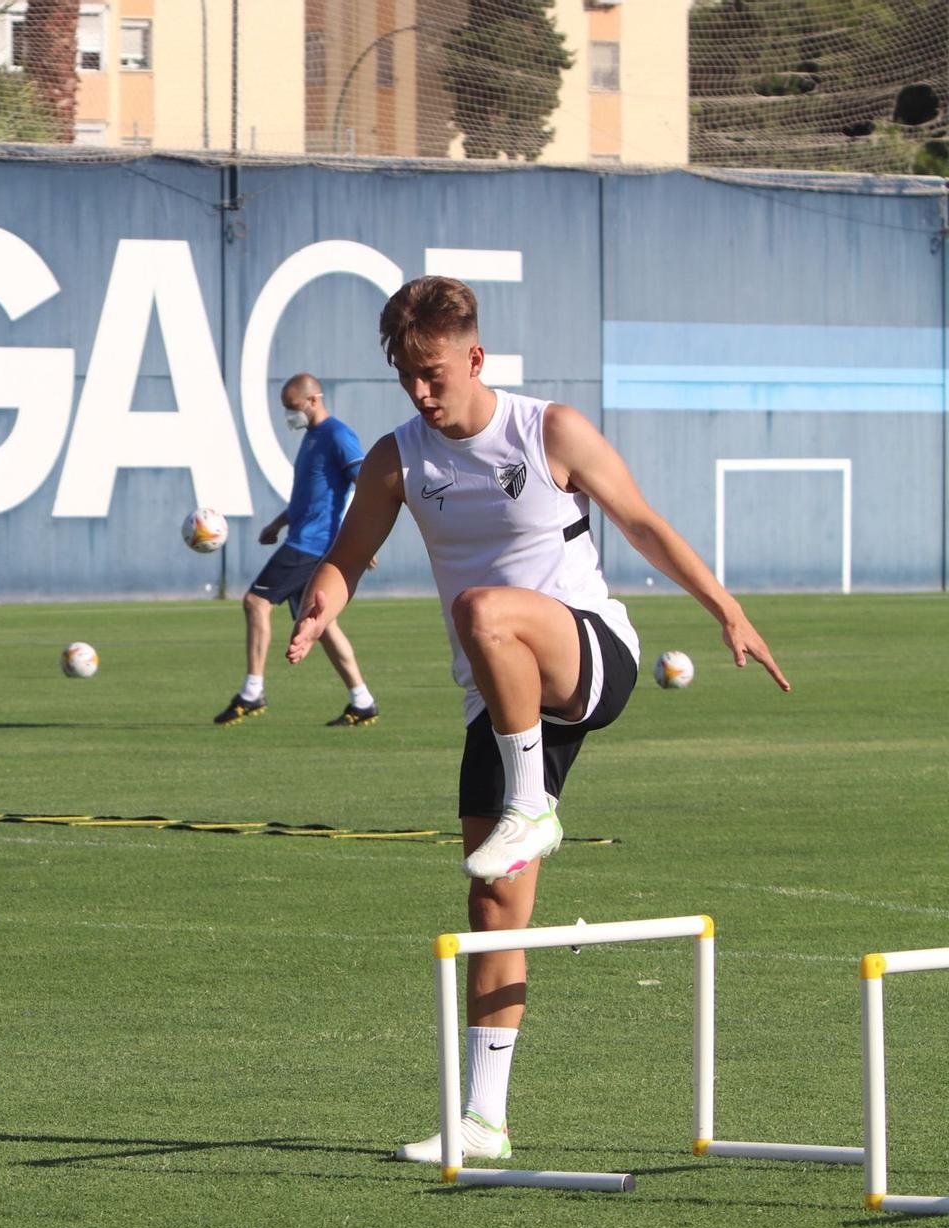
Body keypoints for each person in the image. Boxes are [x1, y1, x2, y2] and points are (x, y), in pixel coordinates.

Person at [282, 277, 790, 1163]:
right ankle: (485, 1118)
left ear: (475, 356)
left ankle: (534, 806)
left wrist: (725, 608)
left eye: (434, 372)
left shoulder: (546, 430)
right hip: (499, 692)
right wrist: (320, 605)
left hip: (589, 654)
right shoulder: (400, 459)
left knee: (483, 606)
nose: (422, 392)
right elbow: (350, 554)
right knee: (493, 904)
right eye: (406, 376)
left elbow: (641, 522)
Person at [214, 373, 380, 729]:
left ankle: (252, 691)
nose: (290, 416)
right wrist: (278, 523)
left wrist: (364, 538)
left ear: (313, 399)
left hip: (312, 545)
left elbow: (366, 484)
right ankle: (362, 700)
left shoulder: (338, 435)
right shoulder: (311, 439)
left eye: (293, 408)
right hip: (303, 537)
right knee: (322, 625)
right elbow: (311, 498)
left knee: (255, 603)